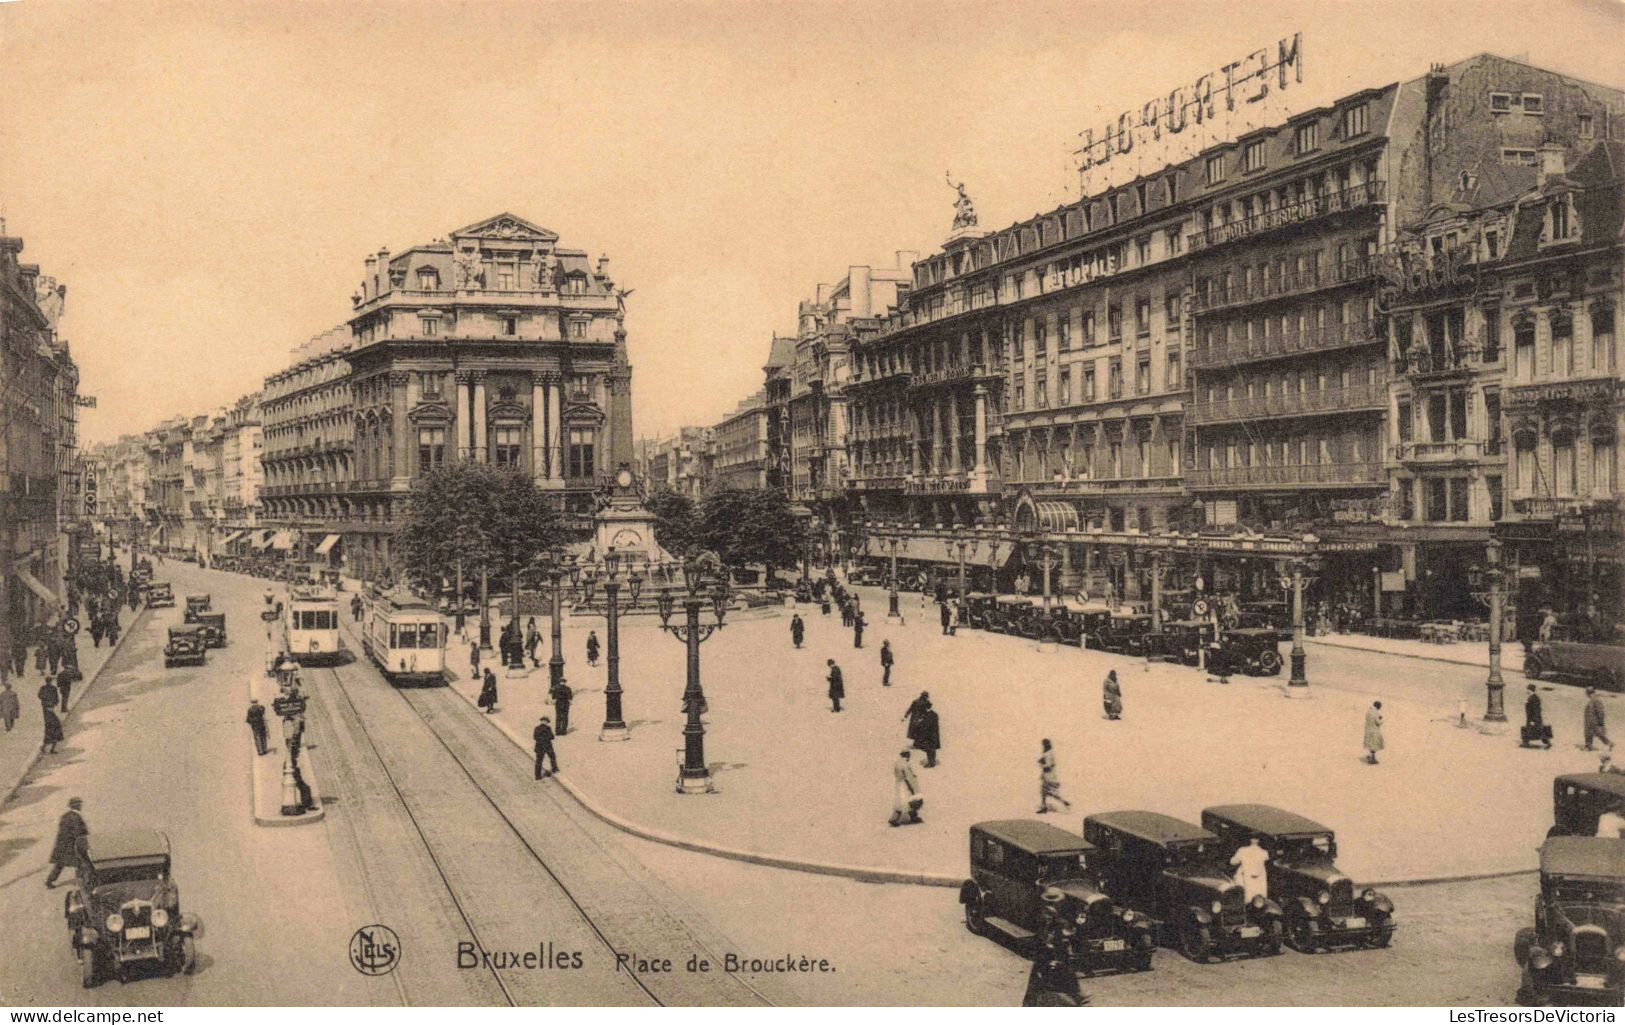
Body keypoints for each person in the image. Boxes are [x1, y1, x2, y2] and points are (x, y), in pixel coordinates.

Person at [45, 797, 87, 888]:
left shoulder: (65, 815)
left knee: (60, 864)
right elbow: (77, 832)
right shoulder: (75, 817)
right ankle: (85, 882)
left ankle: (49, 881)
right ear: (76, 806)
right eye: (79, 804)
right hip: (70, 845)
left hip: (62, 845)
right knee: (81, 862)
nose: (81, 806)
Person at [1230, 835, 1270, 902]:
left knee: (1245, 896)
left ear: (1250, 840)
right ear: (1258, 841)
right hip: (1259, 880)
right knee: (1260, 898)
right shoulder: (1264, 852)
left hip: (1246, 878)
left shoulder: (1242, 850)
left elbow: (1233, 862)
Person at [889, 750, 922, 827]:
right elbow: (908, 777)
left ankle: (911, 817)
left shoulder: (897, 763)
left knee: (900, 801)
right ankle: (895, 819)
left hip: (899, 784)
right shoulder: (906, 764)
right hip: (906, 785)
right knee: (910, 800)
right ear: (907, 755)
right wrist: (913, 787)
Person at [1037, 739, 1070, 814]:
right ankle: (1044, 807)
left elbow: (1048, 766)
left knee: (1050, 793)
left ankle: (1063, 802)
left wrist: (1041, 763)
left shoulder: (1047, 754)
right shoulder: (1050, 753)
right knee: (1044, 792)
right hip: (1050, 776)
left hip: (1048, 777)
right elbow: (1053, 764)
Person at [1523, 683, 1552, 749]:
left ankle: (1547, 743)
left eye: (1527, 689)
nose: (1526, 691)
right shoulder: (1532, 697)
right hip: (1532, 718)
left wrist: (1533, 720)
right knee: (1531, 730)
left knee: (1538, 731)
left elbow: (1536, 710)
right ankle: (1525, 743)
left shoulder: (1533, 698)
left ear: (1530, 690)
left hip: (1534, 719)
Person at [1585, 687, 1614, 752]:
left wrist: (1600, 722)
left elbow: (1600, 712)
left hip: (1594, 721)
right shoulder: (1593, 699)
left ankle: (1610, 743)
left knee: (1599, 734)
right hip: (1590, 720)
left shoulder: (1596, 700)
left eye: (1586, 693)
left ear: (1589, 693)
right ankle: (1589, 746)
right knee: (1589, 733)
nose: (1586, 695)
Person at [1364, 701, 1385, 765]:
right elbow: (1378, 722)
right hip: (1374, 731)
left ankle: (1370, 756)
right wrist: (1381, 719)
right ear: (1377, 706)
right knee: (1374, 745)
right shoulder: (1376, 713)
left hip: (1368, 730)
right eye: (1379, 707)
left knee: (1370, 744)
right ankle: (1372, 759)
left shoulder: (1368, 711)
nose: (1380, 708)